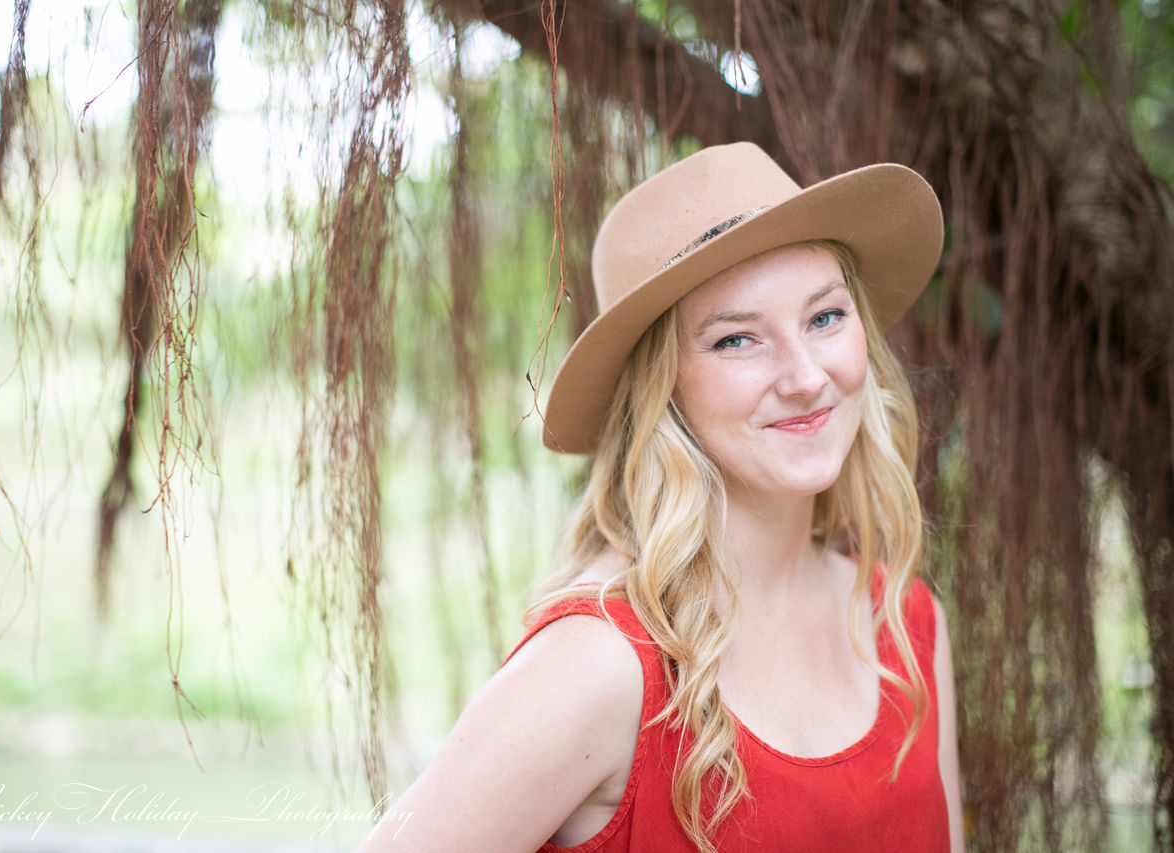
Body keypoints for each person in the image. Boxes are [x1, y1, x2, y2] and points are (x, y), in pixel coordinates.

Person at [358, 142, 964, 851]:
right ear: (662, 391)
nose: (805, 376)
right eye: (738, 338)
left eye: (825, 317)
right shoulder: (600, 663)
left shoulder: (908, 623)